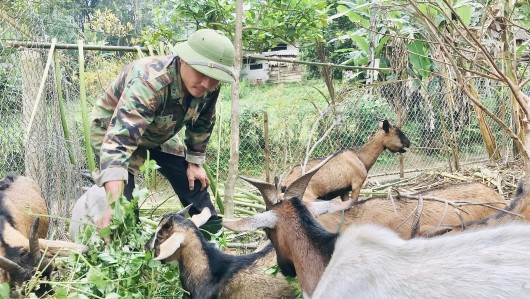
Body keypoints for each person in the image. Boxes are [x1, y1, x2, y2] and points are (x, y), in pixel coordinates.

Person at [89, 28, 235, 239]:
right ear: (184, 60)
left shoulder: (210, 84)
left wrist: (195, 162)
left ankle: (211, 243)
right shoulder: (149, 82)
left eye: (214, 78)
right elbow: (119, 142)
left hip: (159, 129)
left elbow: (204, 121)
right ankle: (128, 246)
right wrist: (114, 204)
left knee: (193, 183)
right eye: (201, 73)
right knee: (123, 208)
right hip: (114, 132)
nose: (207, 84)